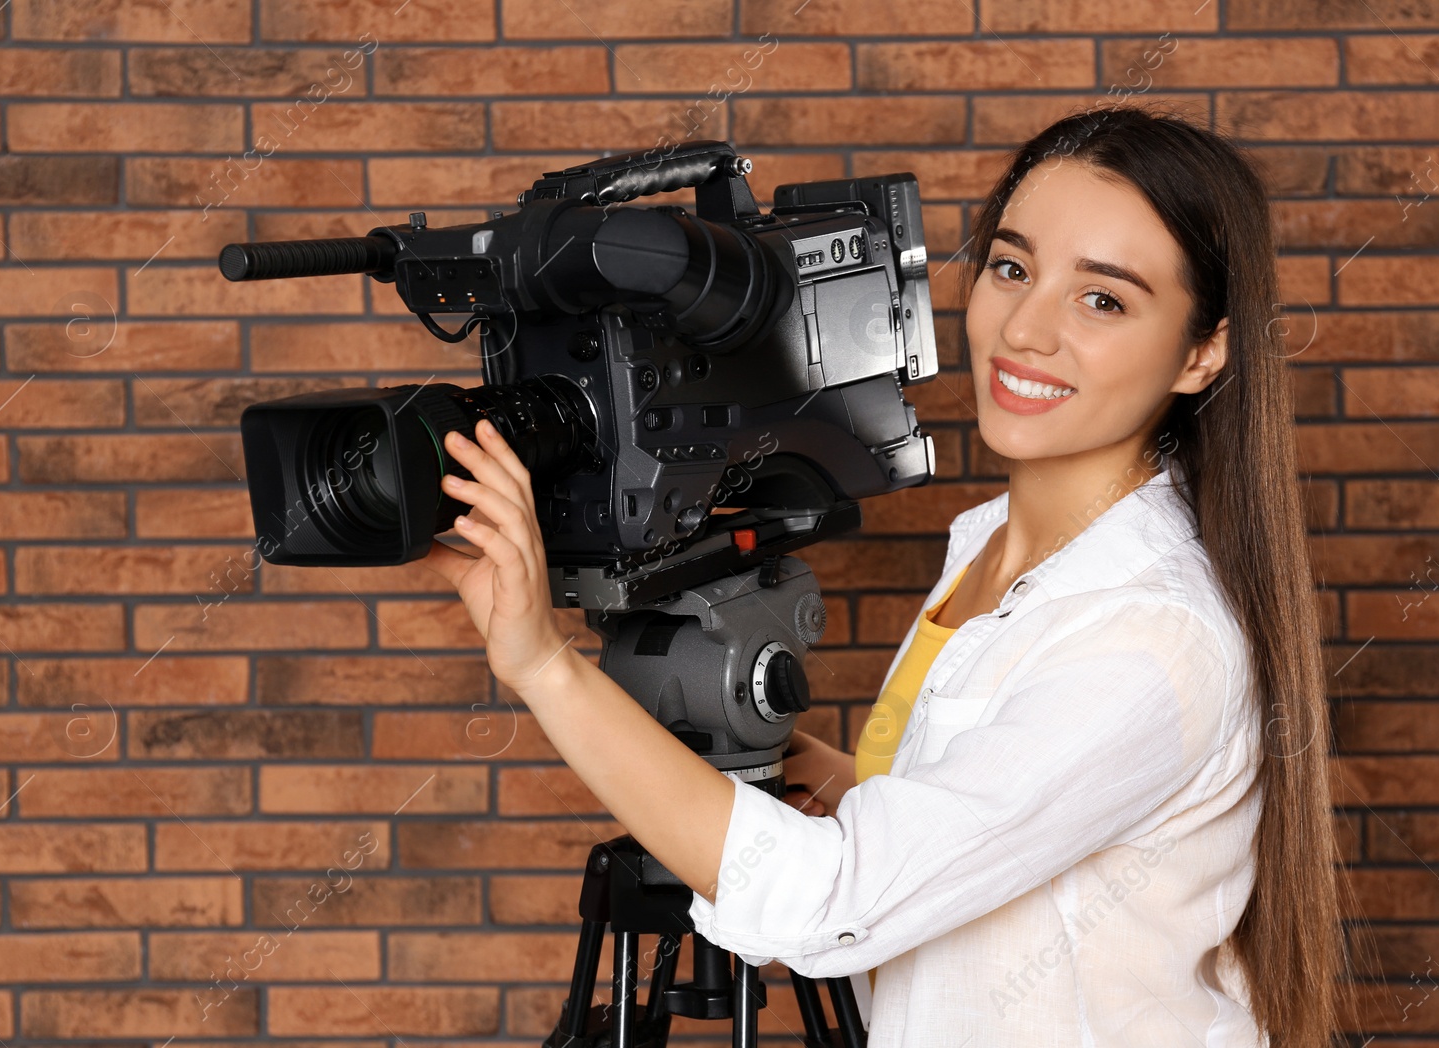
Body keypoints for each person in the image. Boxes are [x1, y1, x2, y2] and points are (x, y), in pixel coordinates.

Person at [417, 105, 1345, 1047]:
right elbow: (968, 825)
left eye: (1102, 299)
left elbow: (832, 903)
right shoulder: (996, 552)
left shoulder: (1147, 634)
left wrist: (543, 664)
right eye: (1012, 268)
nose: (1027, 328)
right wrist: (806, 775)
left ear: (1202, 352)